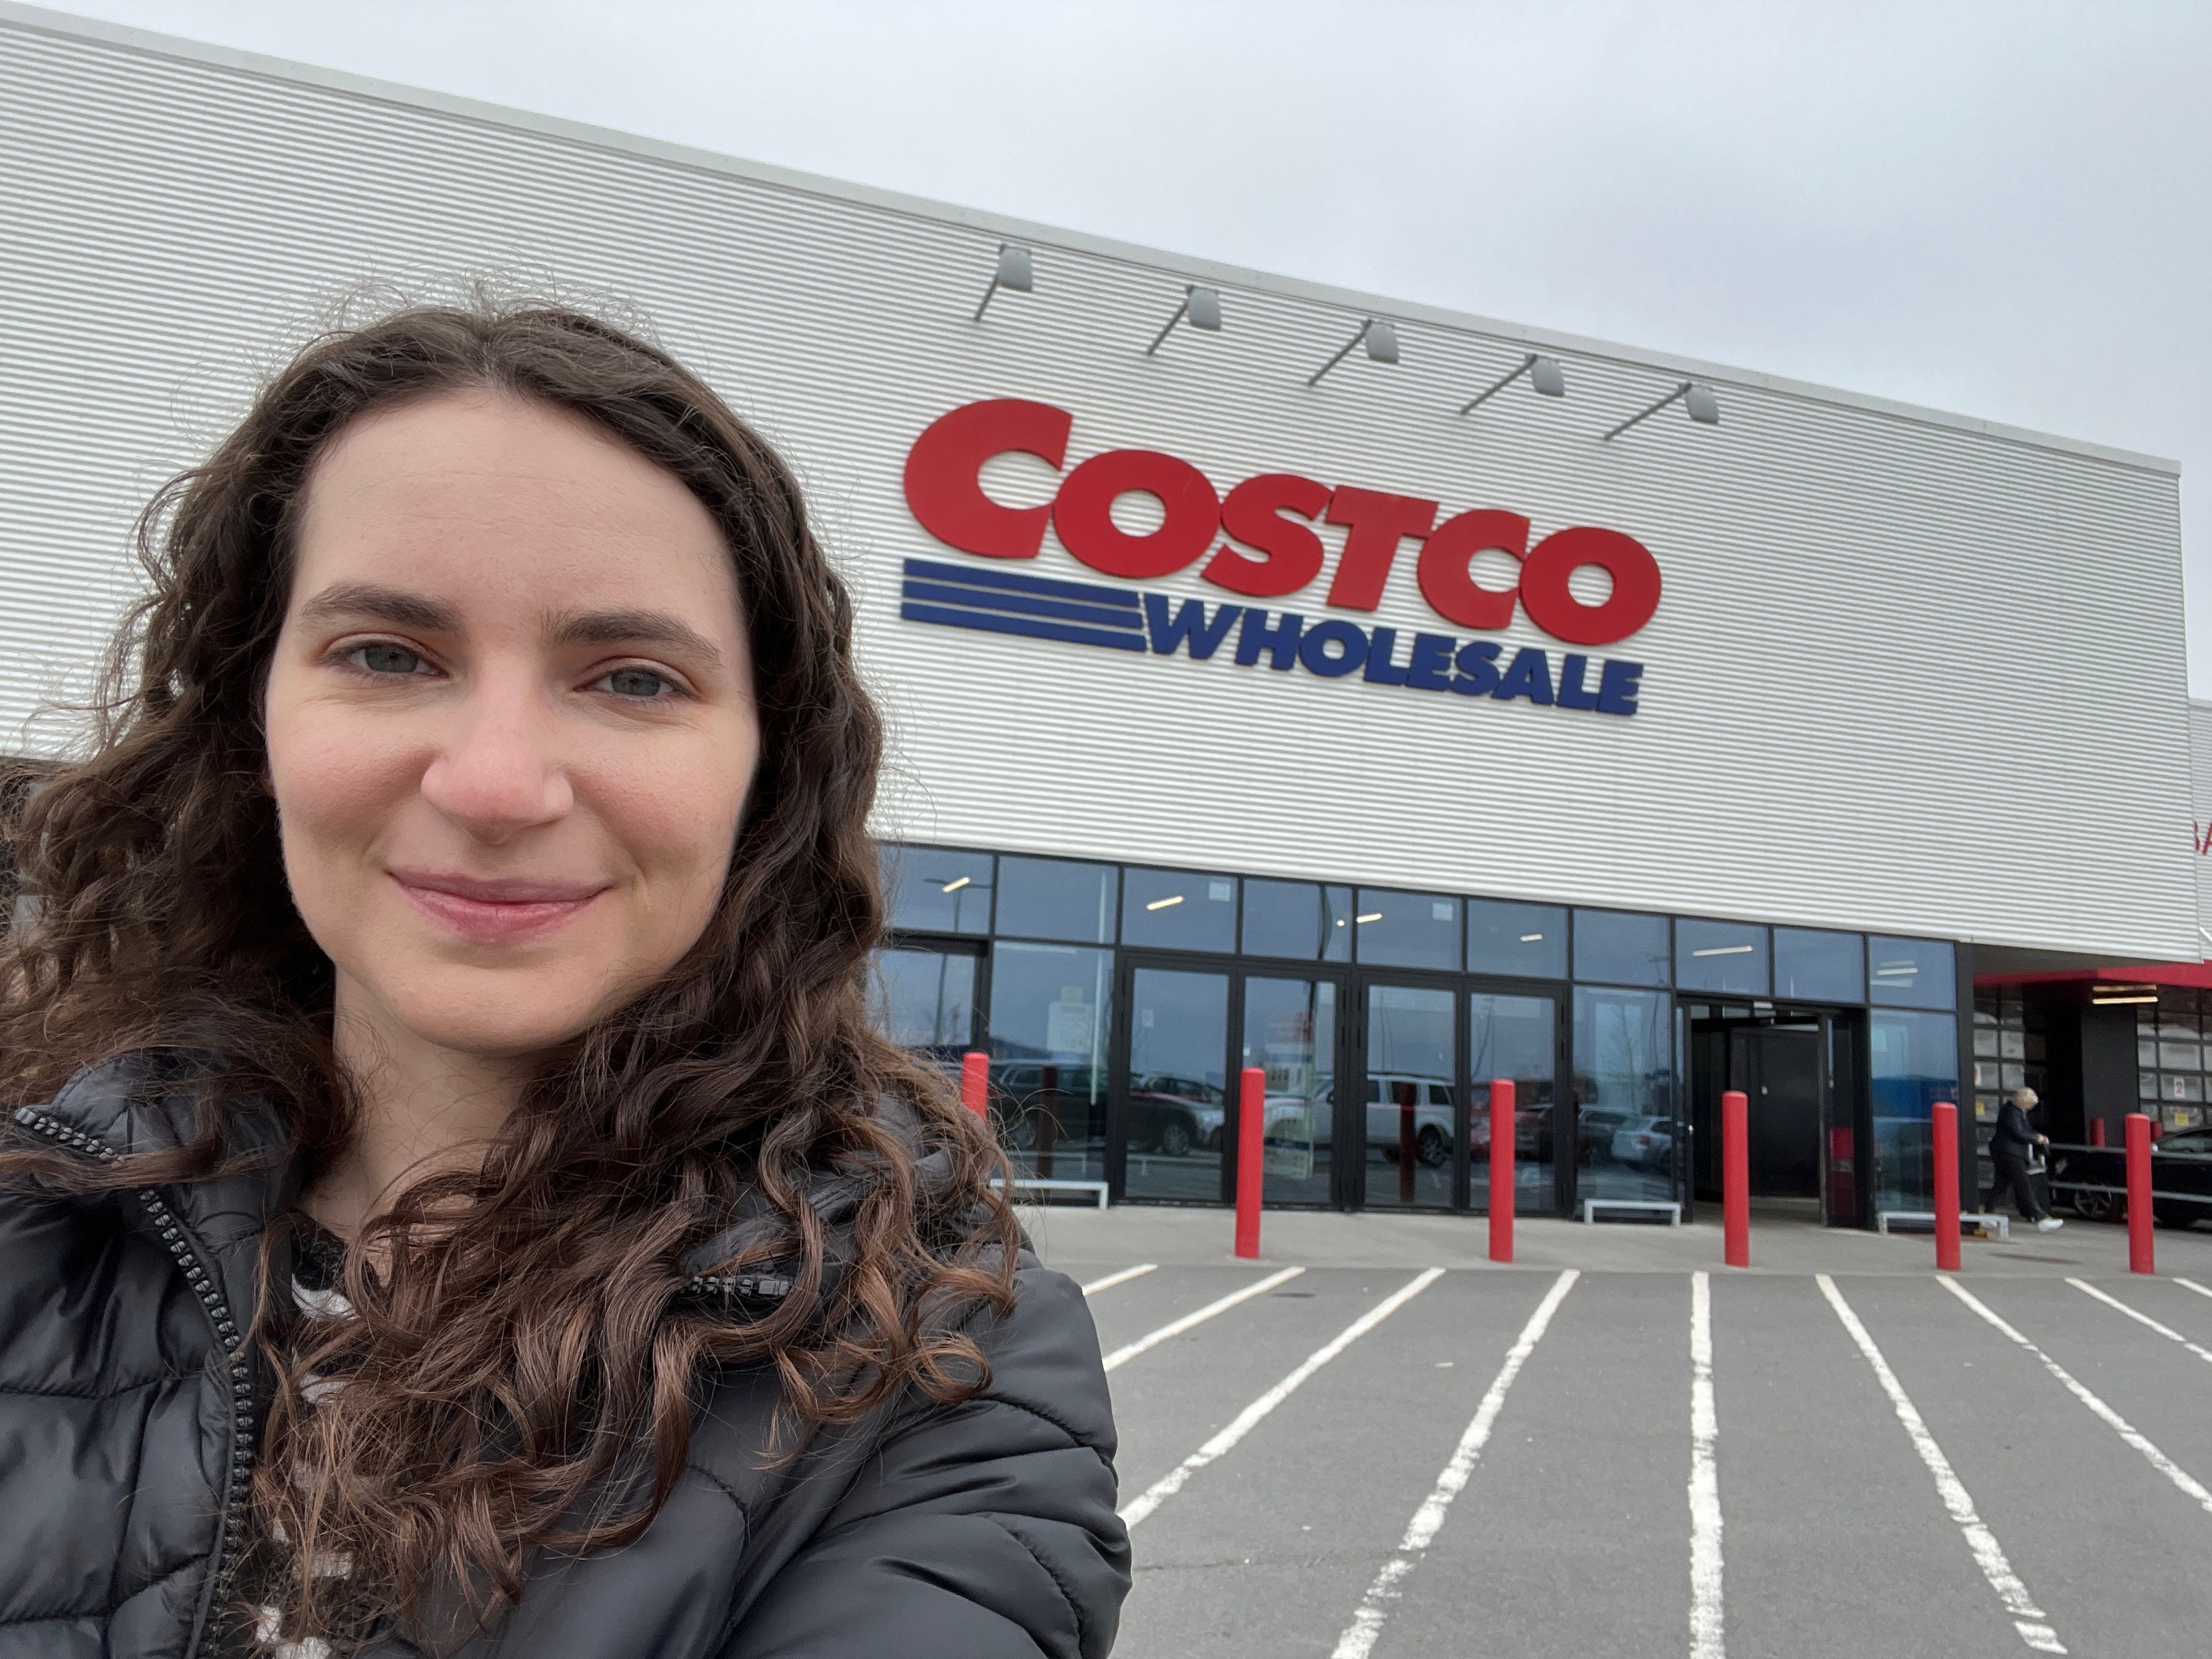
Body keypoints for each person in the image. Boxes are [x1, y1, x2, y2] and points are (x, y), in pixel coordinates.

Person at [0, 304, 1129, 1658]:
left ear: (766, 774)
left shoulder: (942, 1368)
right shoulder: (36, 1203)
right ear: (253, 716)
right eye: (387, 655)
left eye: (633, 679)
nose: (494, 784)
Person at [1984, 1086, 2063, 1232]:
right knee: (2023, 1183)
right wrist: (2036, 1138)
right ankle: (2040, 1217)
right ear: (2023, 1102)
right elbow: (2018, 1133)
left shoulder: (2015, 1112)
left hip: (2004, 1152)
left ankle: (1987, 1214)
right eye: (2030, 1104)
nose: (2031, 1107)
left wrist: (2037, 1136)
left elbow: (2024, 1130)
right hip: (2009, 1153)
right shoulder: (2012, 1113)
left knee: (2001, 1185)